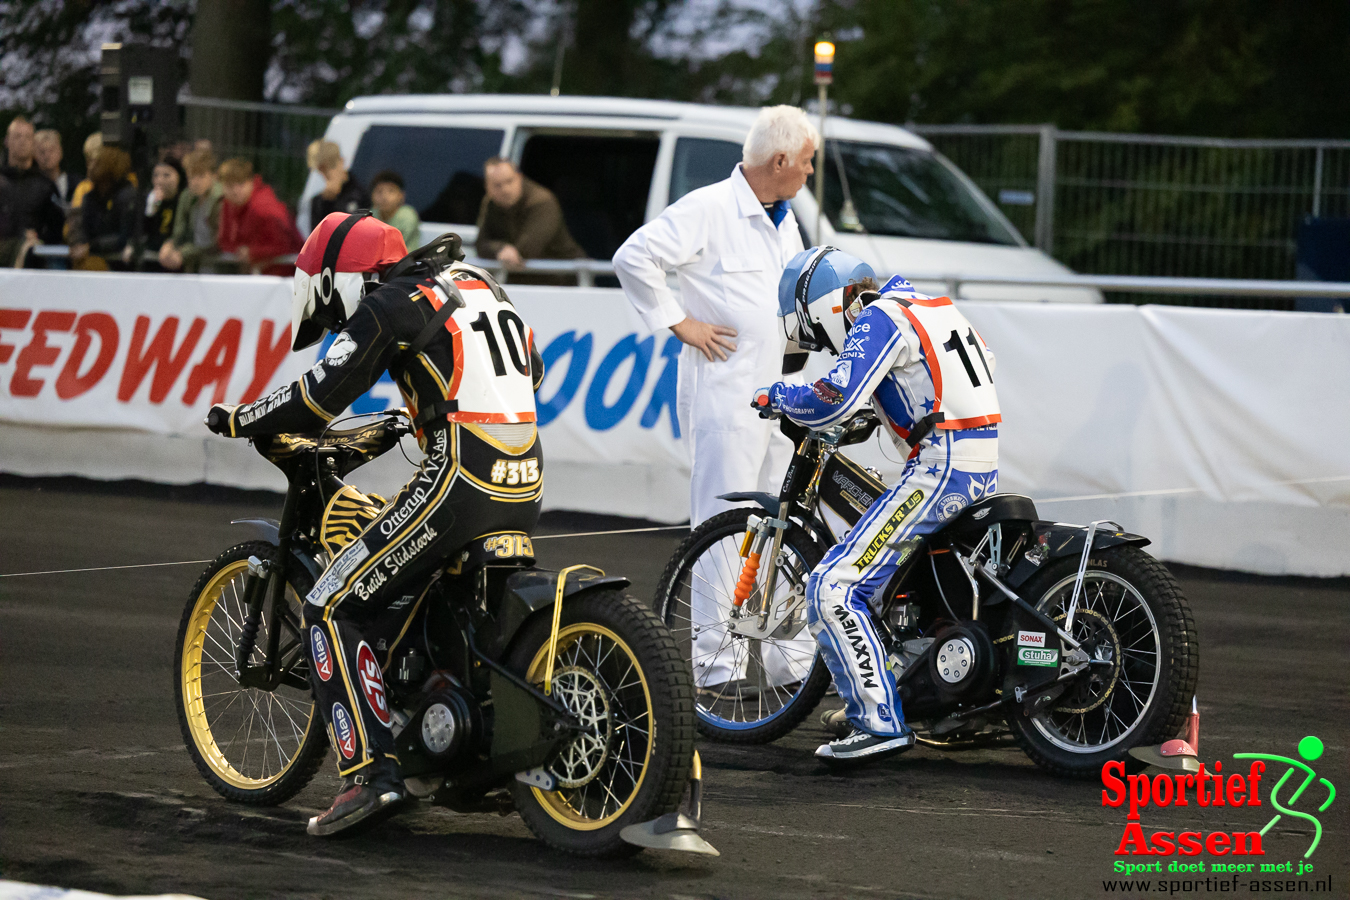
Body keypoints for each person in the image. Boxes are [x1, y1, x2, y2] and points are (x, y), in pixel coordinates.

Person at [203, 213, 547, 837]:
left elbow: (317, 396)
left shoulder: (390, 303)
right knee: (437, 597)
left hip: (459, 479)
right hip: (524, 472)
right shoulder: (475, 281)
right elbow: (533, 368)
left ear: (340, 279)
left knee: (330, 603)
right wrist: (420, 412)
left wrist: (241, 418)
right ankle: (465, 755)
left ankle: (371, 777)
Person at [751, 248, 1002, 762]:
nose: (825, 345)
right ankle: (915, 694)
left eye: (817, 334)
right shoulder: (931, 306)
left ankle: (877, 722)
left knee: (833, 585)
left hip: (942, 465)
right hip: (981, 461)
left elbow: (836, 396)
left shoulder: (878, 316)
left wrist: (778, 395)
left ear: (820, 307)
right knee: (915, 585)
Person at [612, 105, 817, 691]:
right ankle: (716, 665)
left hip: (785, 396)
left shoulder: (786, 217)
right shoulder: (707, 207)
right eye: (805, 162)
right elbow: (633, 257)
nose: (808, 172)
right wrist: (682, 323)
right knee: (723, 529)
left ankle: (789, 663)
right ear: (779, 161)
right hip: (728, 398)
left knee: (785, 529)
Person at [475, 157, 584, 269]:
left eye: (509, 181)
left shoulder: (541, 201)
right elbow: (480, 244)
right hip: (522, 277)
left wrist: (505, 252)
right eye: (497, 185)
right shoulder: (490, 203)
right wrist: (500, 248)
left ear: (519, 178)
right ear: (487, 187)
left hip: (564, 277)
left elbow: (527, 250)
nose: (505, 189)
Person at [217, 158, 303, 276]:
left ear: (251, 182)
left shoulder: (263, 207)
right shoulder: (229, 204)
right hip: (262, 273)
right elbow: (225, 240)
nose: (236, 191)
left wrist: (252, 252)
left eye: (241, 184)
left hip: (283, 276)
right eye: (230, 186)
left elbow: (283, 245)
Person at [0, 116, 63, 266]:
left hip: (33, 267)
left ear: (34, 143)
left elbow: (57, 229)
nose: (22, 141)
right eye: (17, 136)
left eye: (27, 137)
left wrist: (39, 238)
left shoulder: (46, 186)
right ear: (7, 141)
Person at [68, 146, 138, 270]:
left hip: (118, 265)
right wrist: (79, 243)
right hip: (91, 259)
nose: (90, 167)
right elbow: (83, 229)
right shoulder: (90, 196)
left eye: (96, 162)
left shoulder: (127, 196)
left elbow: (125, 237)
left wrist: (91, 247)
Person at [160, 148, 225, 273]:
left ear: (213, 175)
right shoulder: (186, 196)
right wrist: (169, 245)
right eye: (191, 176)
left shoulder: (221, 199)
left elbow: (216, 243)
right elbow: (179, 231)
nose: (195, 182)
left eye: (201, 176)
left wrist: (184, 253)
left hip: (219, 266)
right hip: (194, 267)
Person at [306, 139, 368, 234]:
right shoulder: (318, 201)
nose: (327, 173)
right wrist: (327, 203)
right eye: (321, 169)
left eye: (331, 165)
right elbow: (317, 238)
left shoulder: (361, 194)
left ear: (341, 161)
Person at [140, 158, 184, 261]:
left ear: (178, 177)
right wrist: (151, 208)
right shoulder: (149, 200)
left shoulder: (182, 201)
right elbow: (144, 232)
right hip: (153, 256)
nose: (160, 180)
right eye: (156, 175)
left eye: (166, 175)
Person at [370, 169, 420, 248]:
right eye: (379, 191)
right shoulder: (370, 216)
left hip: (405, 259)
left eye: (391, 191)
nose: (384, 197)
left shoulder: (407, 217)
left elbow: (393, 249)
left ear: (401, 195)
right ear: (372, 196)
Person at [33, 129, 70, 206]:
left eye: (51, 150)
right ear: (34, 156)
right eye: (42, 152)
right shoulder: (31, 187)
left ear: (60, 152)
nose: (47, 156)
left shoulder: (77, 184)